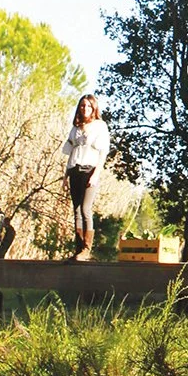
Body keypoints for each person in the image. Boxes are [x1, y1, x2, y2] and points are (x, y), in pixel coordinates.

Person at [62, 94, 110, 260]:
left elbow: (103, 153)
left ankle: (87, 248)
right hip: (75, 169)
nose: (85, 109)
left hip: (89, 170)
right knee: (76, 210)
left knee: (85, 209)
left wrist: (96, 174)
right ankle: (78, 248)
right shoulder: (75, 128)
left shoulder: (99, 126)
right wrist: (65, 176)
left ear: (94, 108)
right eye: (82, 106)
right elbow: (70, 153)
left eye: (89, 106)